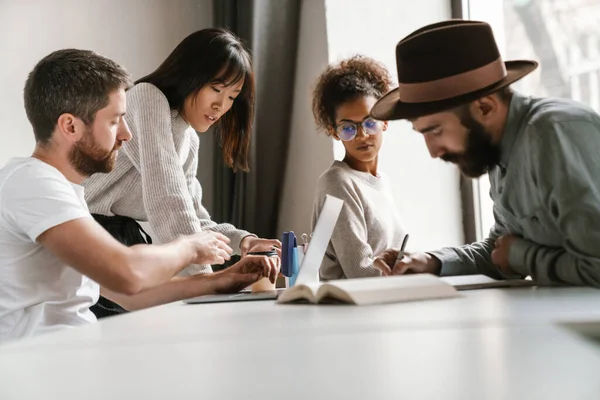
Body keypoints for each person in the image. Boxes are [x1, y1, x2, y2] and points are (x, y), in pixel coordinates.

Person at [0, 49, 278, 343]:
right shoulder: (32, 182)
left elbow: (128, 293)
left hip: (74, 359)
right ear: (71, 126)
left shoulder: (64, 192)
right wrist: (190, 247)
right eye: (114, 121)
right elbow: (127, 273)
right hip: (39, 370)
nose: (127, 134)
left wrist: (221, 279)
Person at [371, 19, 600, 287]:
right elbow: (501, 252)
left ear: (485, 108)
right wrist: (431, 262)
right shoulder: (497, 146)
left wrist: (521, 255)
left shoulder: (554, 134)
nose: (433, 152)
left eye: (435, 130)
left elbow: (594, 266)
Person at [82, 29, 280, 317]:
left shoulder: (190, 139)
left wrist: (244, 241)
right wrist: (208, 283)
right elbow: (167, 198)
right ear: (191, 74)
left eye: (232, 97)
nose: (221, 106)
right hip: (93, 236)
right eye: (216, 89)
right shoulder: (147, 97)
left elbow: (193, 217)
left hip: (127, 240)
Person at [311, 56, 406, 280]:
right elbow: (360, 271)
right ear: (334, 132)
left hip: (383, 303)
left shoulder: (382, 182)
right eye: (348, 128)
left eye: (370, 122)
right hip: (351, 309)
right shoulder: (336, 183)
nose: (362, 135)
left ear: (385, 121)